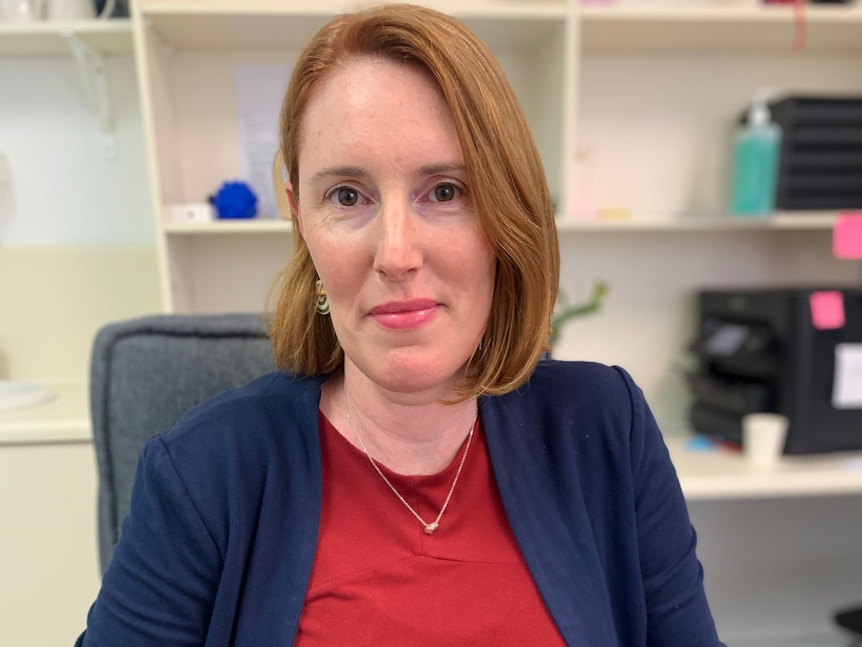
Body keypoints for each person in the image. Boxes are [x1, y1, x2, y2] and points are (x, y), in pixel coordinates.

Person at [76, 4, 724, 645]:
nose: (395, 254)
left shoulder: (607, 429)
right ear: (302, 218)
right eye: (347, 196)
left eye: (444, 191)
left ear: (505, 212)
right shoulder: (201, 474)